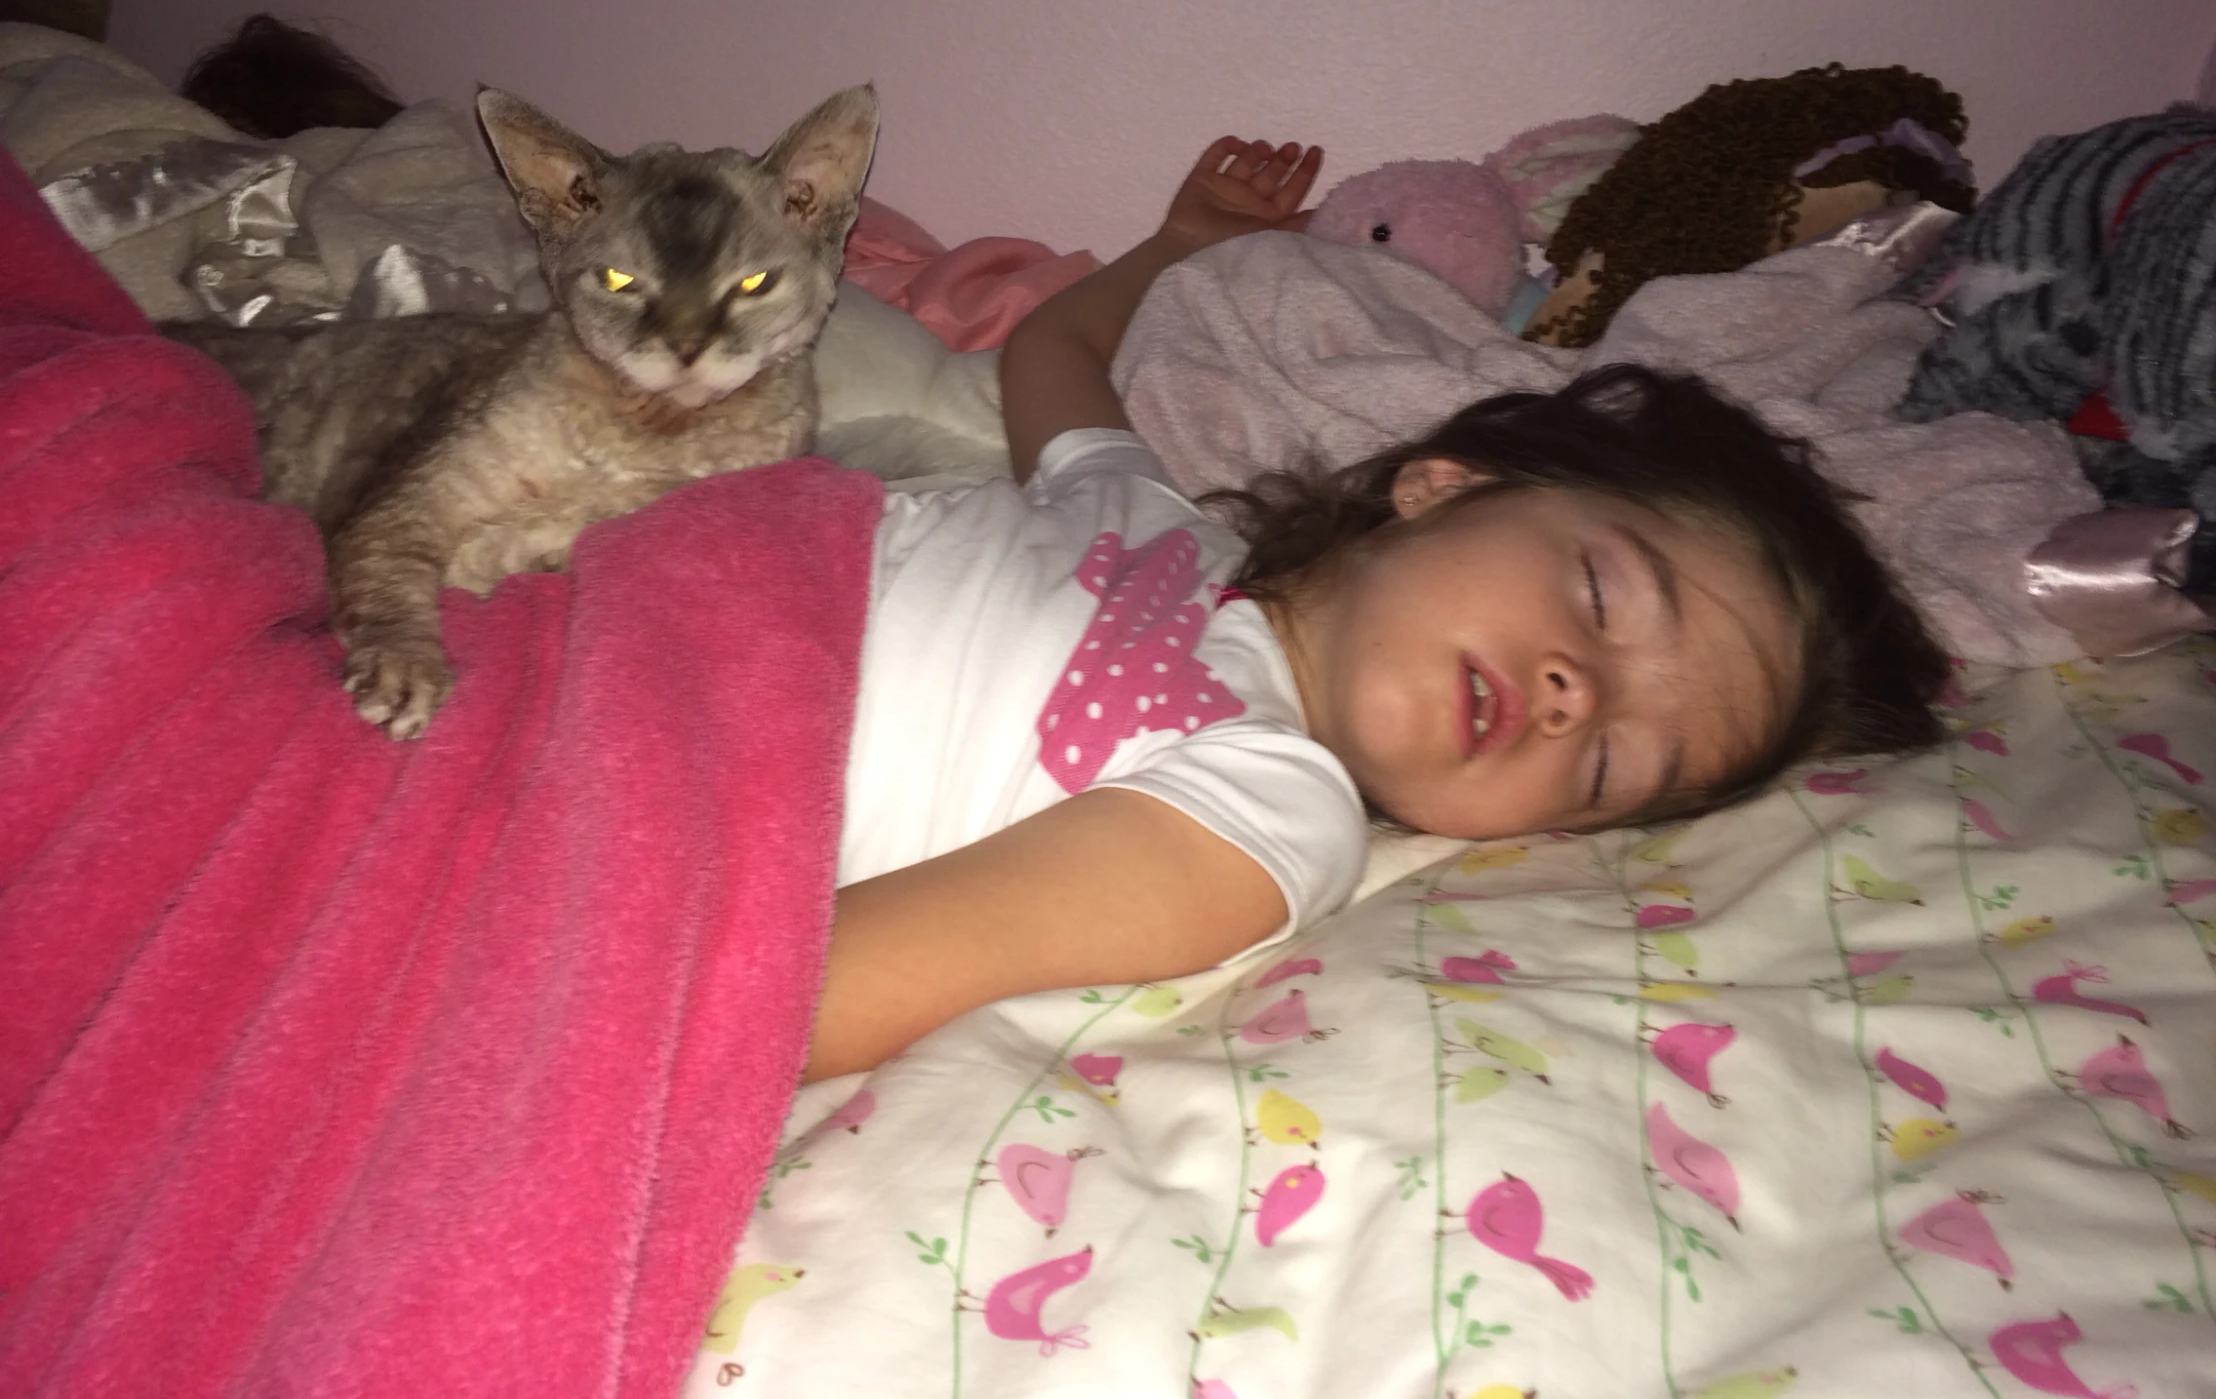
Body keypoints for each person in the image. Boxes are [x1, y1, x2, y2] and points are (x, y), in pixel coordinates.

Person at [804, 137, 1949, 1080]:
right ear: (1446, 483)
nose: (1573, 695)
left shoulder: (1271, 809)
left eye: (1606, 766)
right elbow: (1051, 352)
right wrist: (1178, 247)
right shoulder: (1144, 506)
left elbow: (796, 993)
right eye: (1600, 594)